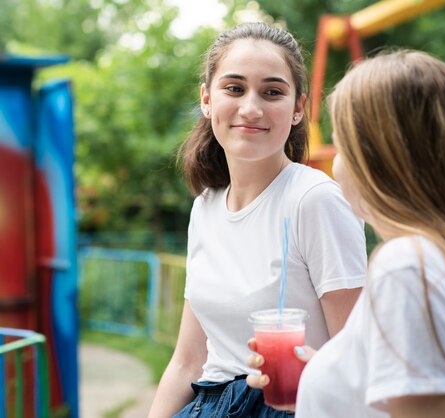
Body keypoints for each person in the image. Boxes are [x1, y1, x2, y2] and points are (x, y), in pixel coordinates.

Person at [248, 50, 445, 417]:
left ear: (377, 157)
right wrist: (324, 385)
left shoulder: (407, 266)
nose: (335, 164)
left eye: (342, 146)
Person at [148, 22, 367, 418]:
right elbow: (187, 362)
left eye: (272, 92)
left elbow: (356, 359)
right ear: (206, 100)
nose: (251, 108)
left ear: (299, 108)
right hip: (207, 405)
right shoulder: (205, 207)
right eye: (234, 88)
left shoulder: (313, 200)